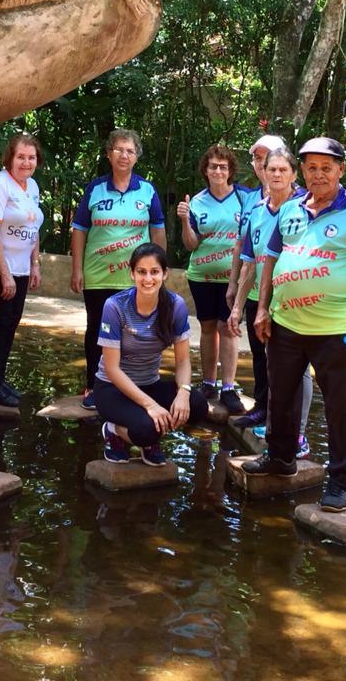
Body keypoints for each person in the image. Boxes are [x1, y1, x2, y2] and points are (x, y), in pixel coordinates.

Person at [246, 136, 346, 513]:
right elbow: (271, 259)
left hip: (334, 332)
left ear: (341, 170)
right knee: (281, 393)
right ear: (303, 171)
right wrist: (262, 309)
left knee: (341, 406)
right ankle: (280, 458)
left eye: (327, 167)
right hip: (285, 324)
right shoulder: (290, 206)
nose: (319, 174)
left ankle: (341, 482)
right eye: (311, 167)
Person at [227, 147, 313, 458]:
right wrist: (237, 307)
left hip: (295, 303)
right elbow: (250, 263)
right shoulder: (258, 213)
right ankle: (273, 422)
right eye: (270, 169)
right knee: (270, 363)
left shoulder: (306, 208)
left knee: (298, 369)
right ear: (263, 172)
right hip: (262, 302)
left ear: (293, 174)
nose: (275, 174)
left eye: (282, 170)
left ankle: (298, 433)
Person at [70, 129, 165, 409]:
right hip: (98, 276)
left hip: (137, 280)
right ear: (109, 153)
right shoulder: (95, 189)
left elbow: (158, 234)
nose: (124, 155)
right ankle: (93, 386)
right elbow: (79, 230)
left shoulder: (147, 191)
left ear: (136, 157)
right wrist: (77, 269)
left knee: (134, 334)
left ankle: (129, 388)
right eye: (119, 150)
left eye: (130, 151)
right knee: (97, 332)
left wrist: (159, 271)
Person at [93, 243, 210, 465]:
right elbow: (112, 368)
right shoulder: (115, 306)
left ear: (165, 274)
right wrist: (151, 406)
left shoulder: (176, 306)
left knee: (197, 405)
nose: (148, 279)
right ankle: (114, 430)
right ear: (132, 274)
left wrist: (183, 393)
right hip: (112, 389)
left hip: (150, 384)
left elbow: (183, 360)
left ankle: (149, 431)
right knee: (148, 429)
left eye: (154, 272)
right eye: (141, 272)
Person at [178, 144, 256, 412]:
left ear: (231, 170)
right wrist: (185, 221)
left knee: (229, 328)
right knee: (209, 328)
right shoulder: (196, 202)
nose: (218, 171)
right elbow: (190, 245)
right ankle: (209, 382)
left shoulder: (245, 198)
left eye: (223, 166)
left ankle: (228, 387)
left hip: (233, 278)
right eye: (213, 166)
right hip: (202, 276)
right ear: (206, 170)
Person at [0, 133, 45, 406]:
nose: (26, 162)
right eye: (21, 156)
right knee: (0, 323)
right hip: (0, 270)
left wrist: (35, 264)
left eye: (31, 157)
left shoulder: (32, 186)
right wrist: (4, 272)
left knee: (12, 323)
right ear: (10, 157)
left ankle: (1, 378)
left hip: (21, 268)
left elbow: (34, 228)